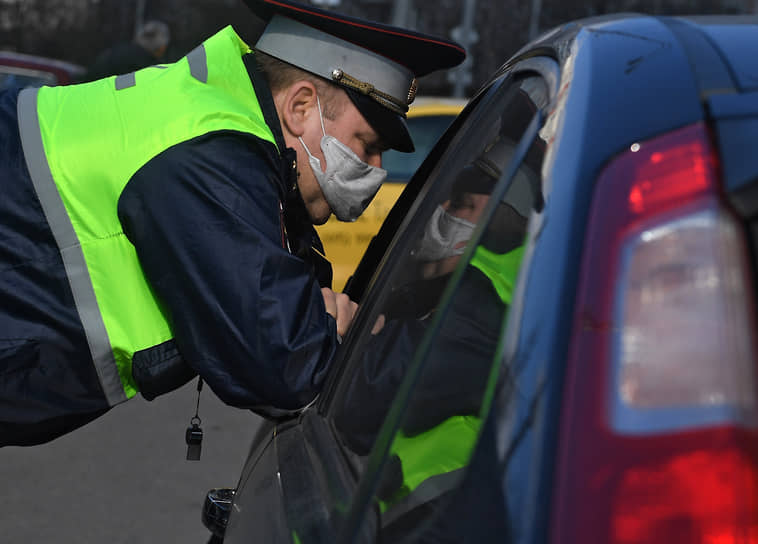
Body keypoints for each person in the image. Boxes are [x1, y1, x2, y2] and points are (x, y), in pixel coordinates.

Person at [0, 0, 465, 446]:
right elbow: (290, 367)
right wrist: (480, 355)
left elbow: (288, 302)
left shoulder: (227, 127)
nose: (376, 166)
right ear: (300, 107)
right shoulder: (212, 157)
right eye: (366, 143)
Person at [81, 20, 171, 83]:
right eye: (162, 48)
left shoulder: (119, 51)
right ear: (158, 46)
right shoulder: (144, 63)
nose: (162, 52)